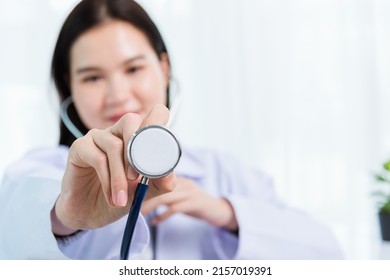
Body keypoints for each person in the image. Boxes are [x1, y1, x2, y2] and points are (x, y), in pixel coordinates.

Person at [0, 0, 343, 260]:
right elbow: (13, 229)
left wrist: (228, 214)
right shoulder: (37, 174)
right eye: (92, 77)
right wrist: (65, 217)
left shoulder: (224, 174)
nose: (118, 95)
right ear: (69, 87)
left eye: (133, 68)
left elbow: (329, 254)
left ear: (164, 69)